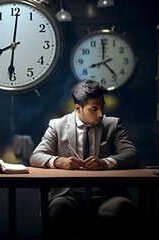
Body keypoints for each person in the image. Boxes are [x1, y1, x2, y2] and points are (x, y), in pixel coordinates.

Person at [30, 79, 140, 239]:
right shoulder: (57, 125)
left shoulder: (113, 124)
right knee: (57, 211)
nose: (100, 114)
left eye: (102, 107)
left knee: (125, 209)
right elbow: (36, 156)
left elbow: (132, 155)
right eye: (94, 109)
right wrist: (60, 161)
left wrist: (105, 163)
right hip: (68, 195)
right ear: (78, 108)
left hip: (108, 195)